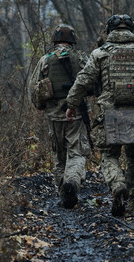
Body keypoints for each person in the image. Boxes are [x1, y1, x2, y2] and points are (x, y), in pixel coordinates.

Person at [65, 14, 134, 217]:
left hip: (109, 114)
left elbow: (83, 81)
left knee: (109, 156)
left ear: (110, 30)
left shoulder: (100, 53)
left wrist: (71, 104)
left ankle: (118, 186)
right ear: (132, 30)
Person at [29, 24, 92, 209]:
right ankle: (71, 182)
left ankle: (62, 192)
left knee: (59, 155)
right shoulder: (80, 58)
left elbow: (34, 88)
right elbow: (91, 81)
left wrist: (41, 106)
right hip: (76, 112)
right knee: (77, 152)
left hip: (53, 114)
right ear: (73, 40)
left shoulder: (45, 60)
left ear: (55, 40)